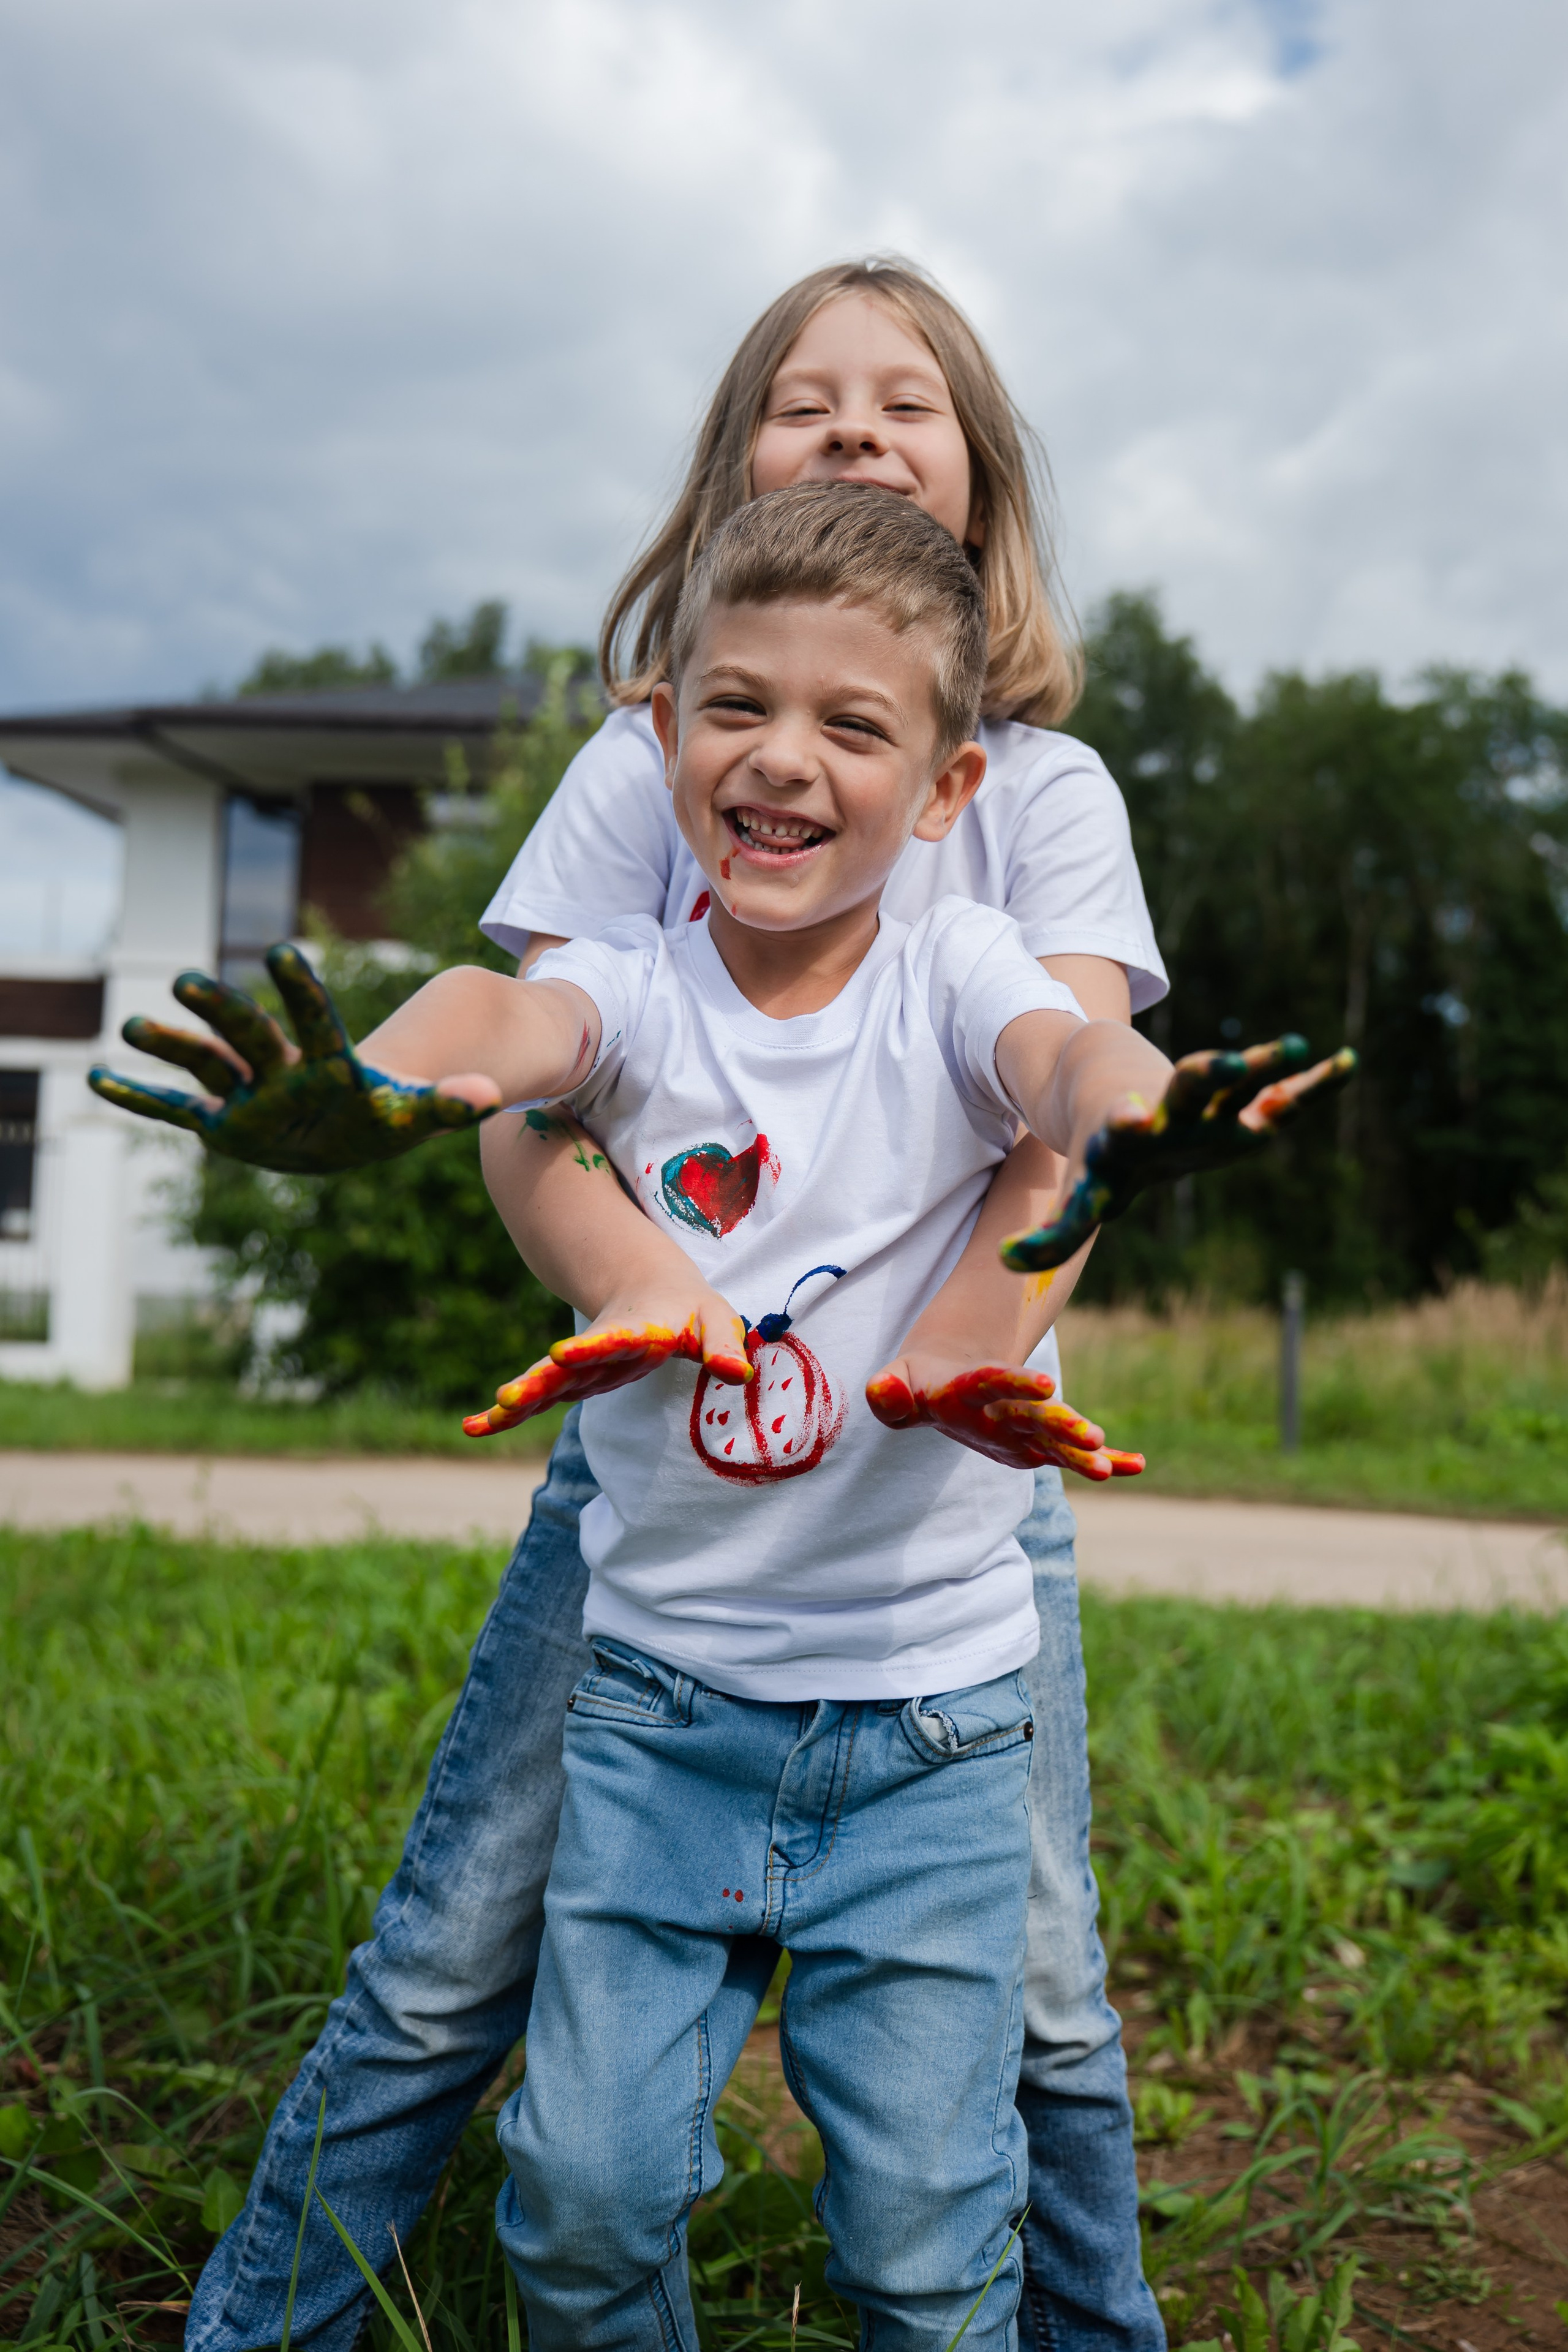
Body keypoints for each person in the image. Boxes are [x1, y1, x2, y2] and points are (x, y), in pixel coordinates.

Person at [97, 483, 1347, 2347]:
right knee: (581, 2205)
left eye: (853, 726)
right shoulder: (634, 984)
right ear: (664, 729)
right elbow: (494, 1019)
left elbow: (1061, 1055)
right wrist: (376, 1084)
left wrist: (1133, 1106)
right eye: (736, 705)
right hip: (657, 1714)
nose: (782, 758)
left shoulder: (950, 967)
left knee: (929, 2246)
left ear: (942, 794)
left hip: (931, 1727)